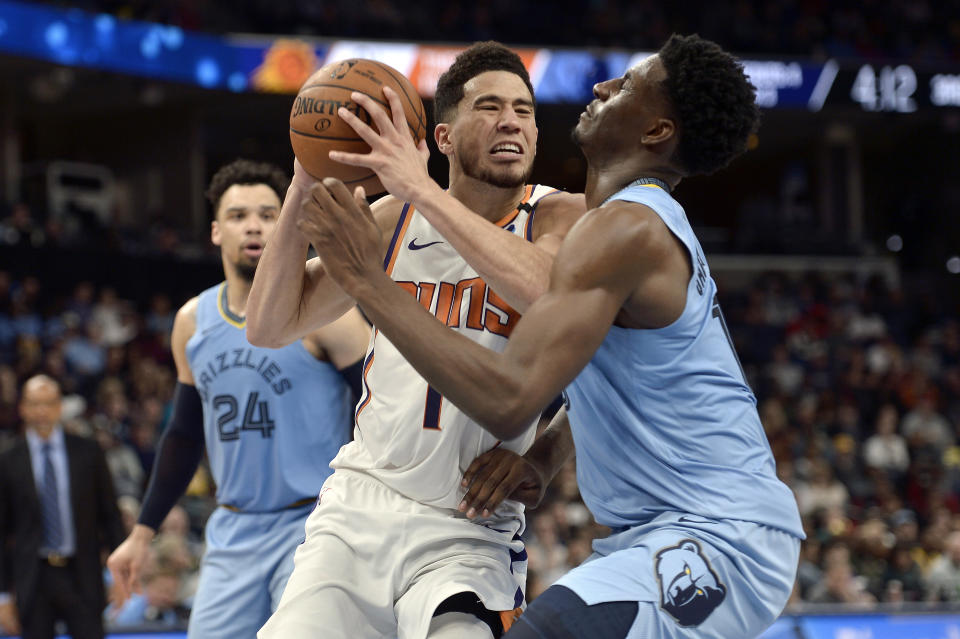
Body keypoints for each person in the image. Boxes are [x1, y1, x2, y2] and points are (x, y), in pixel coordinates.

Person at [300, 34, 804, 638]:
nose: (601, 87)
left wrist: (369, 281)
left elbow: (508, 398)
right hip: (651, 537)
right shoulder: (622, 225)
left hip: (718, 535)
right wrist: (543, 457)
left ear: (654, 133)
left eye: (626, 88)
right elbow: (610, 373)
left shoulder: (627, 228)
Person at [248, 42, 585, 639]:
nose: (511, 121)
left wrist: (544, 455)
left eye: (524, 110)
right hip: (360, 507)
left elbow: (547, 290)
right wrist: (305, 177)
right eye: (489, 107)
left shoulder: (560, 217)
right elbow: (270, 325)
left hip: (468, 527)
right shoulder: (394, 219)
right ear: (445, 137)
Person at [106, 159, 370, 638]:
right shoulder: (192, 321)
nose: (254, 225)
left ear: (290, 223)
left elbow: (380, 410)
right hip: (233, 530)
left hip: (315, 524)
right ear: (214, 232)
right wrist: (141, 533)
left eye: (269, 214)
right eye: (238, 215)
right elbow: (184, 436)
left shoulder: (328, 312)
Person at [0, 375, 125, 639]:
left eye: (48, 403)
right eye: (34, 404)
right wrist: (2, 595)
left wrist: (119, 576)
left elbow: (111, 517)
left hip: (82, 574)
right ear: (22, 408)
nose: (41, 411)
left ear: (60, 407)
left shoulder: (89, 452)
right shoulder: (8, 459)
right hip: (33, 579)